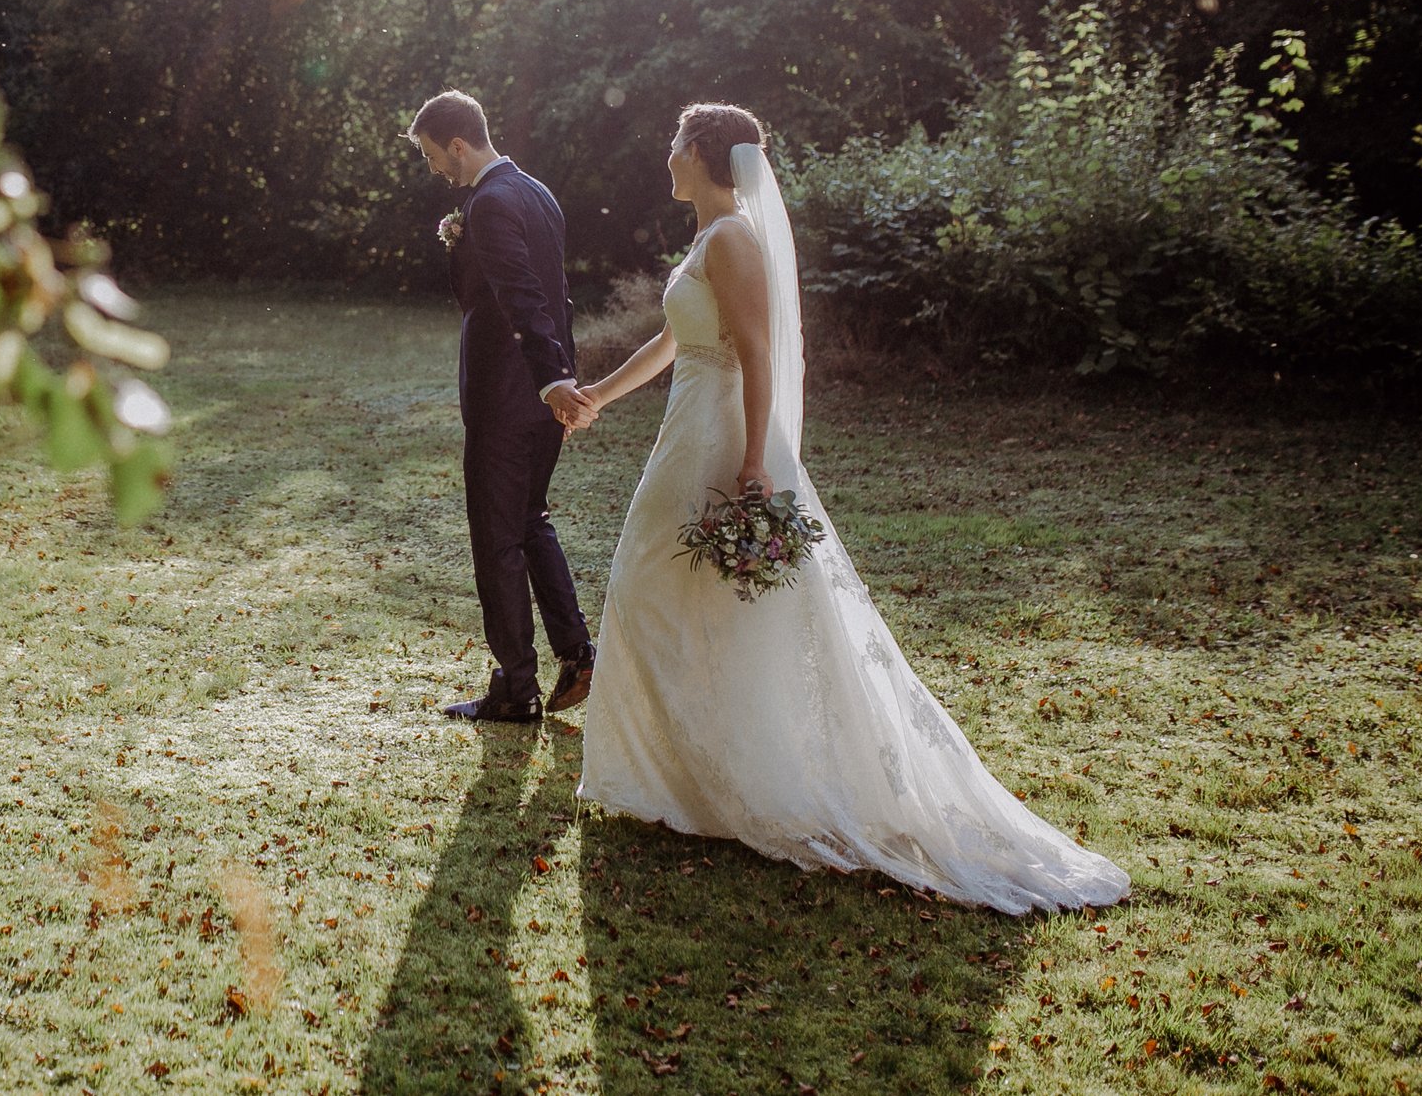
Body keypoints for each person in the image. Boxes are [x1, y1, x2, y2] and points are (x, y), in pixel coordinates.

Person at [571, 102, 1129, 913]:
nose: (665, 157)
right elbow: (672, 342)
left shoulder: (732, 239)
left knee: (652, 586)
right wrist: (597, 396)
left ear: (698, 151)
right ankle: (686, 779)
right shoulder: (707, 236)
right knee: (663, 592)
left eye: (673, 144)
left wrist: (757, 456)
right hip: (684, 430)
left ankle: (715, 777)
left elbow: (757, 354)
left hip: (720, 436)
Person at [408, 90, 597, 724]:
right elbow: (558, 301)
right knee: (530, 520)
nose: (436, 170)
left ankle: (516, 689)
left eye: (435, 156)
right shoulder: (537, 192)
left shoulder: (488, 203)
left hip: (508, 398)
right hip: (543, 393)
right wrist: (562, 382)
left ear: (458, 144)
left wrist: (551, 386)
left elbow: (522, 300)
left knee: (496, 540)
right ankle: (577, 654)